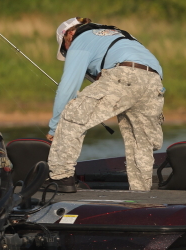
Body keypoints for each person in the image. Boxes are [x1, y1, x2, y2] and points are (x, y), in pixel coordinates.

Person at [47, 17, 165, 192]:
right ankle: (141, 192)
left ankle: (61, 178)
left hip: (124, 74)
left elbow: (68, 88)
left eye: (65, 48)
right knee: (140, 142)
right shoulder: (119, 34)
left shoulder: (80, 39)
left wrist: (54, 128)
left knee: (72, 115)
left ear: (69, 34)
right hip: (154, 82)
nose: (67, 52)